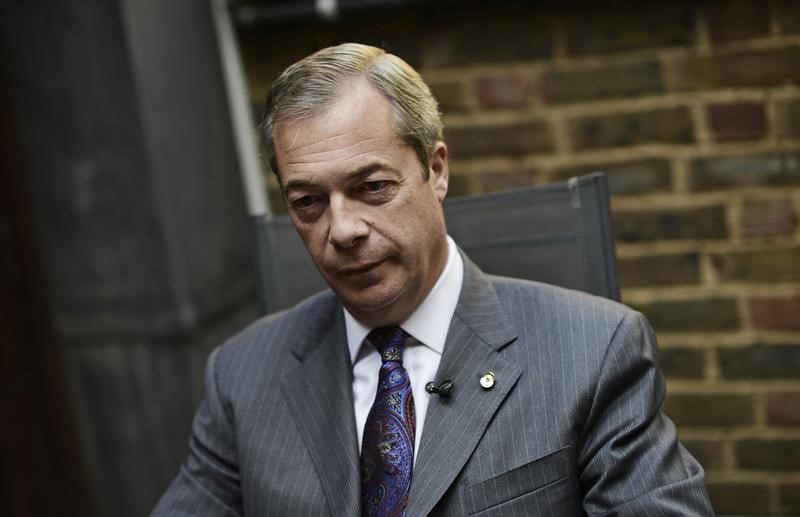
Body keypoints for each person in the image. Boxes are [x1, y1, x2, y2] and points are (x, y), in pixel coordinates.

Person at [153, 43, 713, 516]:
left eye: (372, 187)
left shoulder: (593, 351)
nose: (341, 229)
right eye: (308, 202)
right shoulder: (241, 375)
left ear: (436, 170)